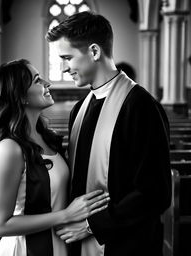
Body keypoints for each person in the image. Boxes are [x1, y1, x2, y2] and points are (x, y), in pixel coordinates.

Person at [46, 11, 172, 256]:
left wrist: (92, 225)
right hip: (81, 243)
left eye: (67, 58)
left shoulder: (141, 106)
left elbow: (155, 192)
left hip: (127, 245)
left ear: (94, 52)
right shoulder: (79, 110)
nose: (63, 69)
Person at [0, 59, 110, 256]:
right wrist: (66, 215)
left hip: (58, 245)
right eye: (37, 80)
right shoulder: (10, 148)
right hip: (25, 249)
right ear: (20, 95)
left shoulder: (46, 137)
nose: (47, 83)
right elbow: (1, 225)